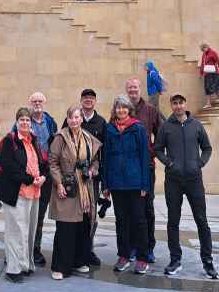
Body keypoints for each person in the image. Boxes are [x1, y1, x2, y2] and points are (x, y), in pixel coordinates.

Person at [155, 94, 218, 279]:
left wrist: (199, 163)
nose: (178, 106)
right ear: (171, 106)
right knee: (173, 221)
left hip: (194, 179)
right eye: (175, 103)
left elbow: (207, 148)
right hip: (173, 180)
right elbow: (158, 149)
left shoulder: (196, 125)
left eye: (181, 103)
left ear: (185, 104)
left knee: (202, 220)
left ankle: (208, 262)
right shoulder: (166, 127)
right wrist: (169, 163)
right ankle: (175, 260)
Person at [49, 105, 102, 280]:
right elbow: (53, 162)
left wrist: (93, 170)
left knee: (82, 227)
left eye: (77, 117)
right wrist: (58, 183)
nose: (74, 120)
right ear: (67, 119)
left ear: (81, 119)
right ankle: (60, 267)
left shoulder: (88, 138)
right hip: (67, 187)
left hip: (85, 189)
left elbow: (95, 160)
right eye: (71, 117)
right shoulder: (60, 138)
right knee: (65, 228)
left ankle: (79, 262)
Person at [0, 107, 48, 283]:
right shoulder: (9, 141)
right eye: (22, 120)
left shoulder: (33, 140)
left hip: (34, 193)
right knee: (15, 231)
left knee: (29, 231)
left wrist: (43, 177)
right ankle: (13, 269)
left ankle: (25, 265)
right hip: (16, 192)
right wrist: (30, 179)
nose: (25, 123)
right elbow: (8, 166)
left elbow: (42, 163)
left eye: (27, 120)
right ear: (16, 122)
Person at [101, 95, 151, 274]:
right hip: (116, 183)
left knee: (139, 221)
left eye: (124, 107)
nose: (121, 110)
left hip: (135, 182)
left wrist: (145, 184)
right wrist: (105, 184)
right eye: (118, 107)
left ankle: (142, 258)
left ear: (129, 109)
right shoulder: (110, 129)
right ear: (114, 110)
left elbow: (144, 156)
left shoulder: (138, 128)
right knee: (121, 221)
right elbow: (105, 157)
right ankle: (123, 255)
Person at [61, 88, 107, 265]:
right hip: (72, 179)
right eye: (85, 98)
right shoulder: (71, 119)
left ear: (95, 101)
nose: (88, 100)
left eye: (91, 98)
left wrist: (97, 170)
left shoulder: (101, 122)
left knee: (90, 214)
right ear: (81, 100)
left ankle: (88, 249)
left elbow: (103, 152)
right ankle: (73, 250)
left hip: (91, 178)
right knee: (73, 213)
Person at [123, 77, 162, 264]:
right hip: (127, 170)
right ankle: (132, 246)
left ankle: (148, 248)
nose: (133, 90)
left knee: (147, 208)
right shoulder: (121, 110)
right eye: (130, 88)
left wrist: (150, 152)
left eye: (135, 87)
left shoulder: (151, 110)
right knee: (130, 209)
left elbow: (161, 136)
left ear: (140, 89)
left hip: (146, 168)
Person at [28, 92, 58, 266]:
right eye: (34, 101)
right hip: (28, 174)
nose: (37, 103)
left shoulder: (50, 122)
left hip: (45, 174)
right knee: (25, 214)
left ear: (44, 103)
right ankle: (21, 250)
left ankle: (36, 249)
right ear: (30, 103)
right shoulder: (24, 121)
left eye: (40, 101)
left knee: (39, 215)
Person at [199, 43, 219, 109]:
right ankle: (211, 102)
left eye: (204, 49)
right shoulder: (204, 54)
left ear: (207, 47)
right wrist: (201, 73)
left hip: (213, 72)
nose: (203, 50)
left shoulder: (213, 53)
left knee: (214, 85)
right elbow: (202, 64)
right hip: (207, 73)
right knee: (207, 87)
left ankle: (213, 101)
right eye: (202, 50)